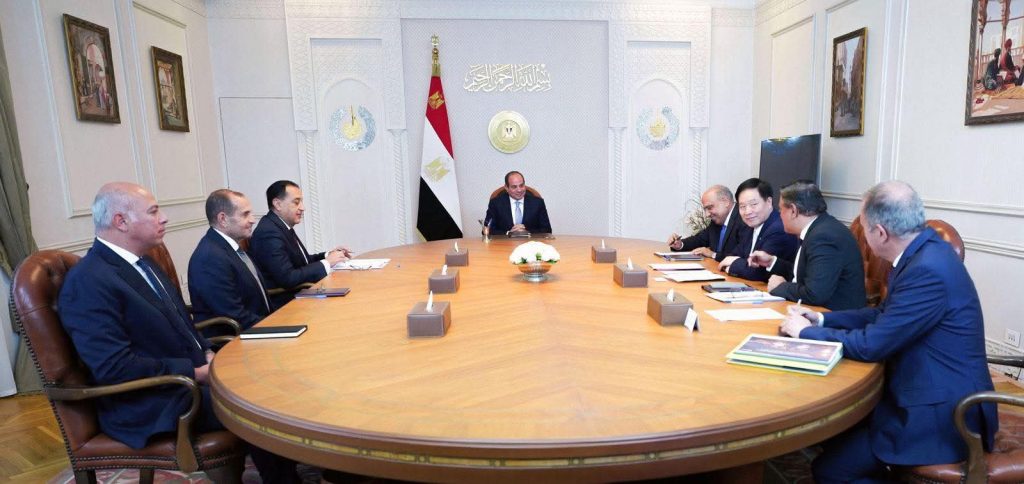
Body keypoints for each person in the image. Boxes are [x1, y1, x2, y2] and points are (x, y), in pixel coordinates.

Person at [58, 182, 298, 481]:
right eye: (153, 211)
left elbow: (182, 323)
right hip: (150, 400)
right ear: (121, 221)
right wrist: (196, 372)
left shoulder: (144, 262)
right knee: (263, 402)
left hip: (181, 383)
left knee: (273, 381)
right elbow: (114, 367)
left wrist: (207, 351)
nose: (164, 218)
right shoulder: (89, 281)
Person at [781, 181, 997, 483]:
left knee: (830, 471)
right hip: (923, 387)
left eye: (864, 228)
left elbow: (872, 345)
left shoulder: (927, 270)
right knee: (835, 436)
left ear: (880, 233)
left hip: (945, 415)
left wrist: (806, 334)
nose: (862, 237)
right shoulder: (922, 251)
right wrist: (821, 320)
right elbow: (883, 314)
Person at [747, 180, 866, 310]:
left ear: (793, 211)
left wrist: (781, 287)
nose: (780, 215)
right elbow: (804, 275)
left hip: (832, 316)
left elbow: (814, 294)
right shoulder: (817, 228)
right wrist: (772, 262)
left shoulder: (824, 236)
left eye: (781, 210)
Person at [248, 180, 351, 307]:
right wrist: (327, 262)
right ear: (278, 204)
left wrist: (328, 255)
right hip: (286, 303)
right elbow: (288, 278)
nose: (303, 208)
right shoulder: (268, 233)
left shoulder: (280, 225)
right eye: (296, 202)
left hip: (301, 293)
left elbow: (302, 262)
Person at [188, 189, 273, 333]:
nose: (252, 220)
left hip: (257, 326)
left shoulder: (229, 247)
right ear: (223, 219)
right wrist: (276, 325)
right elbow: (234, 315)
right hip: (235, 338)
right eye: (245, 214)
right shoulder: (210, 258)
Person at [718, 178, 799, 282]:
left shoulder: (779, 228)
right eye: (742, 206)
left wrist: (732, 266)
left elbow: (758, 271)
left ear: (769, 202)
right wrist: (737, 262)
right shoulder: (750, 226)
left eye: (754, 204)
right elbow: (733, 255)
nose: (747, 211)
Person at [666, 184, 750, 262]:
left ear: (725, 202)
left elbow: (742, 256)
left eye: (709, 207)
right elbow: (699, 239)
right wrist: (680, 244)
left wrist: (713, 254)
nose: (707, 214)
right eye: (705, 209)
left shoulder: (744, 218)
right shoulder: (717, 221)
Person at [483, 171, 552, 234]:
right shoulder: (496, 203)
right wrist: (509, 233)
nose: (519, 190)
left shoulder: (537, 203)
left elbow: (547, 230)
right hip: (505, 242)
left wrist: (527, 232)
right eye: (514, 187)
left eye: (521, 185)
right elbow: (486, 230)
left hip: (531, 242)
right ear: (506, 188)